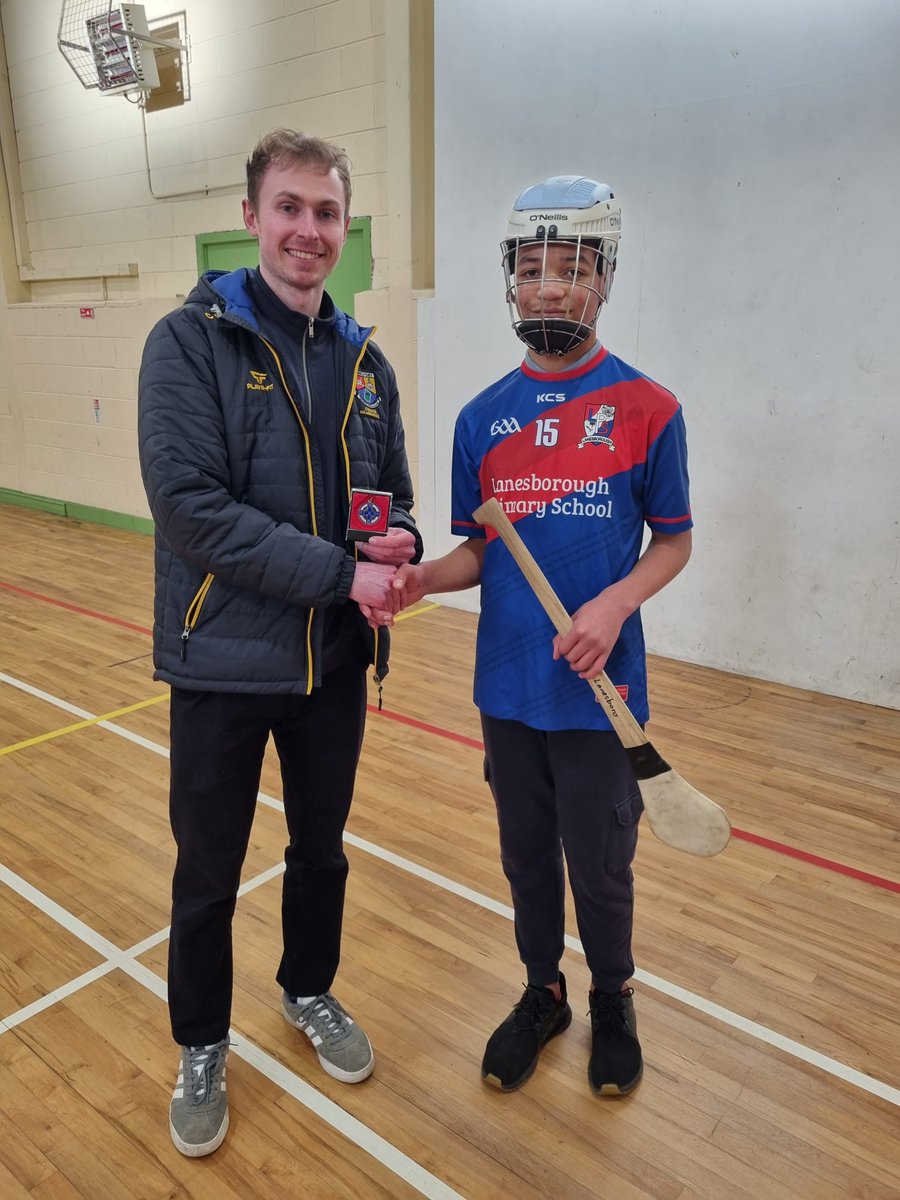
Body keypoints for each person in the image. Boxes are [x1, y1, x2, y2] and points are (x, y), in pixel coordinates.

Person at [138, 129, 421, 1157]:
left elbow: (391, 500)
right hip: (219, 663)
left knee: (322, 856)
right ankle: (202, 1043)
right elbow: (191, 511)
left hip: (331, 669)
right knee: (207, 874)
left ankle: (309, 990)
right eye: (291, 208)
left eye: (327, 214)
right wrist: (347, 574)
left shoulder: (365, 361)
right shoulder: (186, 342)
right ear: (253, 218)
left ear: (344, 231)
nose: (310, 231)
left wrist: (400, 544)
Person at [393, 175, 692, 1097]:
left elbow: (674, 542)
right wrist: (416, 581)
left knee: (601, 867)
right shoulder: (480, 419)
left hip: (604, 700)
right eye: (534, 270)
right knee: (527, 862)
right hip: (509, 694)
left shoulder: (650, 408)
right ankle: (543, 992)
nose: (552, 289)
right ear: (511, 282)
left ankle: (612, 996)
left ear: (604, 279)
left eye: (573, 269)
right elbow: (478, 552)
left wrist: (614, 605)